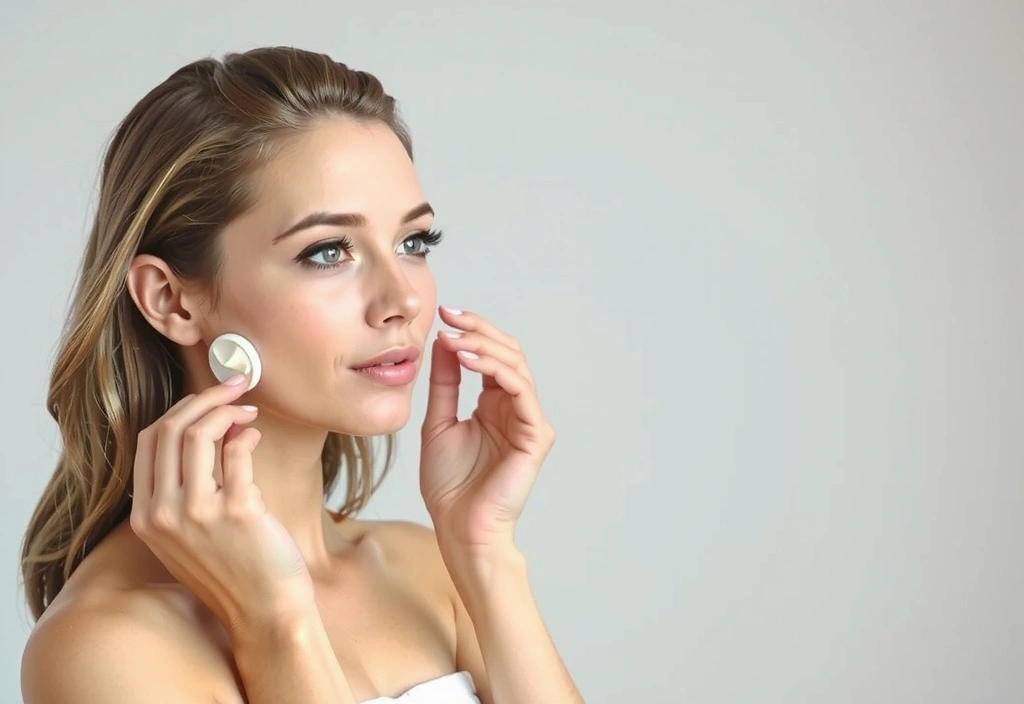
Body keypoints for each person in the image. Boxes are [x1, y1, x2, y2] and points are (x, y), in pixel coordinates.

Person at [19, 46, 583, 704]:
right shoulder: (104, 648)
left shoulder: (429, 567)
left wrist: (484, 549)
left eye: (413, 242)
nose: (400, 299)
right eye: (328, 252)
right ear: (172, 300)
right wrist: (275, 621)